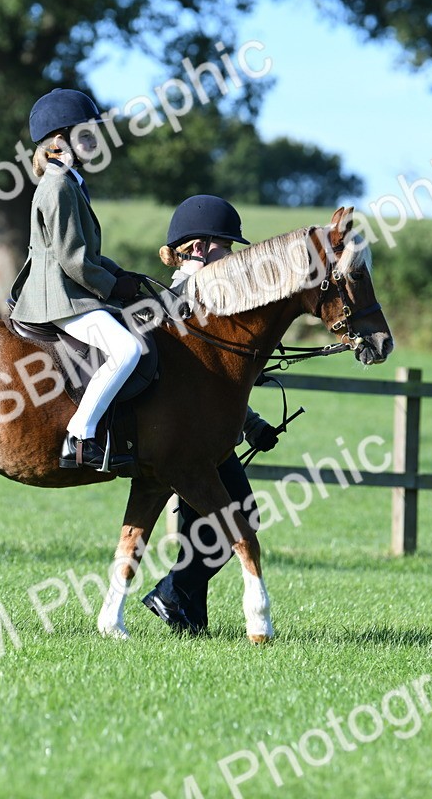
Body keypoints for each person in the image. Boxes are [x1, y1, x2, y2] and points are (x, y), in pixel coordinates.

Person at [140, 195, 281, 634]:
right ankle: (173, 597)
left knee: (217, 524)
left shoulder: (210, 302)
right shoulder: (179, 303)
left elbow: (214, 392)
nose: (233, 258)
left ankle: (184, 612)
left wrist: (252, 423)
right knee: (231, 523)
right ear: (199, 247)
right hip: (179, 439)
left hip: (207, 437)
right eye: (227, 248)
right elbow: (196, 390)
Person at [10, 88, 142, 471]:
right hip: (60, 297)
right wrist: (112, 287)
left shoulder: (70, 181)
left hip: (70, 290)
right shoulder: (58, 186)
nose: (94, 142)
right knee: (127, 350)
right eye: (86, 135)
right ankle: (80, 437)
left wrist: (120, 274)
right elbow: (72, 259)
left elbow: (87, 252)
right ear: (58, 142)